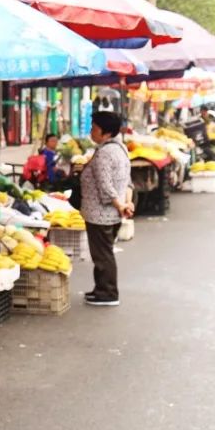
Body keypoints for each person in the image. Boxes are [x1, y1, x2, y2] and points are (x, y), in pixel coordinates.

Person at [80, 111, 133, 307]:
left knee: (102, 255)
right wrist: (126, 203)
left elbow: (105, 184)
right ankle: (100, 288)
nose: (91, 132)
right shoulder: (120, 148)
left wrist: (120, 204)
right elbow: (127, 180)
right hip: (110, 213)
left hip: (101, 214)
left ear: (106, 132)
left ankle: (108, 293)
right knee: (103, 252)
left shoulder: (104, 153)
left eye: (94, 128)